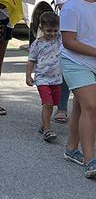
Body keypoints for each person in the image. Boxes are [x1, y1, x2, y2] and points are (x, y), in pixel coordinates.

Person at [60, 0, 96, 179]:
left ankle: (71, 148)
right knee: (91, 106)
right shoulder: (71, 6)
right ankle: (89, 160)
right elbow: (69, 42)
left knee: (82, 108)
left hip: (92, 60)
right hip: (75, 62)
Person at [53, 0, 96, 123]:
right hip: (72, 32)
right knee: (68, 67)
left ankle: (72, 146)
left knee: (84, 105)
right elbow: (63, 3)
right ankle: (62, 107)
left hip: (90, 36)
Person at [26, 12, 62, 142]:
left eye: (55, 30)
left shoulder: (59, 39)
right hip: (43, 79)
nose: (52, 34)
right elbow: (31, 60)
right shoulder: (37, 44)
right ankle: (47, 129)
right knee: (47, 103)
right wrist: (28, 75)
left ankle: (44, 124)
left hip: (57, 79)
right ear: (41, 28)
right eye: (49, 31)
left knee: (53, 104)